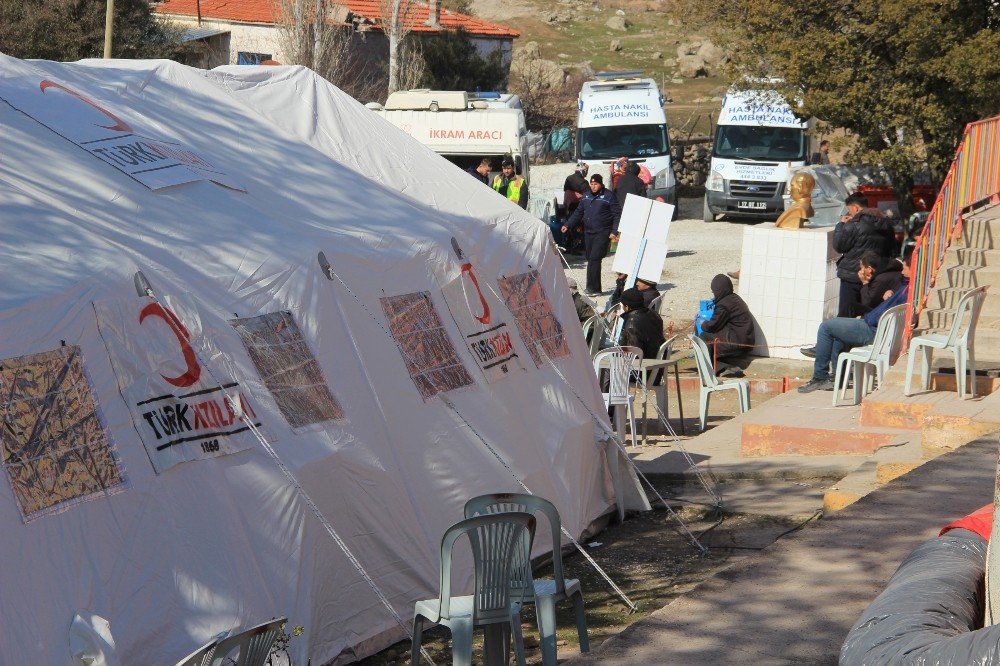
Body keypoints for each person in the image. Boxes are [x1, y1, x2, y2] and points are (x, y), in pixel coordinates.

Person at [798, 253, 911, 393]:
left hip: (873, 329)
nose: (902, 271)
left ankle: (819, 377)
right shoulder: (907, 288)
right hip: (878, 326)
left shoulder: (901, 287)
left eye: (905, 268)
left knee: (825, 327)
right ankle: (836, 378)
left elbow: (872, 305)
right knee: (838, 330)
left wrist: (865, 316)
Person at [833, 192, 895, 317]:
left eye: (850, 211)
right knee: (868, 313)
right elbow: (892, 249)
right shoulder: (886, 223)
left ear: (856, 208)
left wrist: (840, 225)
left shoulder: (854, 225)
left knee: (847, 312)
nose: (850, 214)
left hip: (852, 275)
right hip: (876, 275)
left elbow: (839, 246)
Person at [563, 174, 622, 295]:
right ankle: (596, 288)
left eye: (596, 184)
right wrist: (568, 224)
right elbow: (579, 212)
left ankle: (592, 288)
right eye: (592, 184)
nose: (593, 187)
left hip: (602, 232)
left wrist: (614, 231)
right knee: (590, 258)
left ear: (601, 184)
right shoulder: (586, 196)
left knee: (595, 258)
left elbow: (617, 215)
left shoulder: (609, 196)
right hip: (589, 232)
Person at [698, 274, 755, 375]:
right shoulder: (734, 298)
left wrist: (703, 323)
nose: (713, 293)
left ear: (718, 291)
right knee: (710, 341)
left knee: (703, 338)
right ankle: (726, 368)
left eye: (714, 291)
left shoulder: (724, 305)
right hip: (745, 340)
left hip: (738, 343)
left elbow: (712, 326)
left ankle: (713, 370)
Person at [620, 288, 665, 359]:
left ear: (627, 307)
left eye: (623, 305)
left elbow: (634, 353)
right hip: (659, 359)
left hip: (644, 364)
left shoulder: (632, 323)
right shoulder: (654, 313)